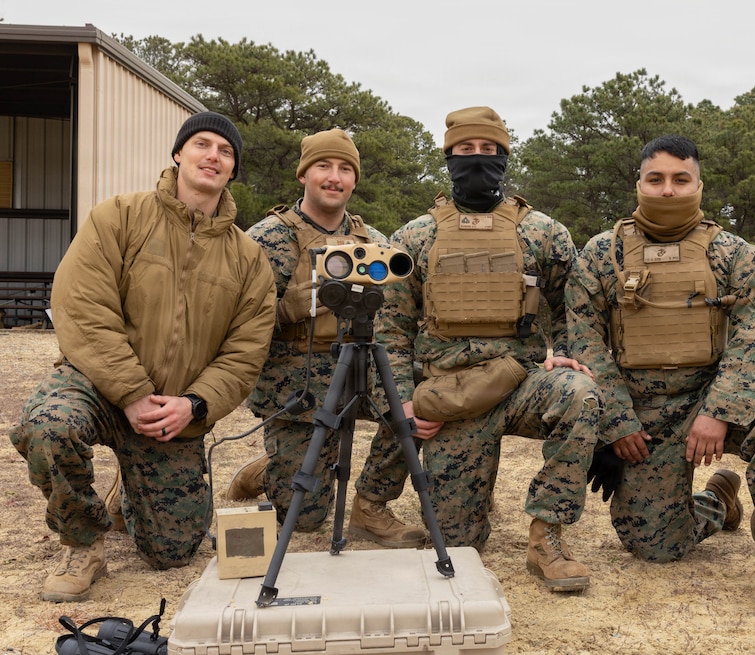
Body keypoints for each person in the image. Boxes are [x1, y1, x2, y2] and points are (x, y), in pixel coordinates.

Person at [8, 111, 277, 602]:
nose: (213, 156)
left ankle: (128, 492)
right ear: (178, 154)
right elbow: (81, 305)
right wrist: (131, 392)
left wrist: (194, 404)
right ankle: (83, 542)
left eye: (226, 151)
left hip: (173, 411)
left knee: (172, 552)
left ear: (233, 170)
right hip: (95, 384)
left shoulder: (248, 259)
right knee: (48, 427)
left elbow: (245, 352)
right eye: (202, 144)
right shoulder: (118, 216)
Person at [351, 106, 602, 591]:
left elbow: (573, 304)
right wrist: (402, 405)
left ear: (504, 157)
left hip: (522, 381)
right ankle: (468, 494)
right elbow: (390, 331)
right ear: (449, 158)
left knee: (580, 393)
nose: (478, 158)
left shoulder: (543, 232)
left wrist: (568, 351)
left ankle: (547, 536)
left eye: (489, 149)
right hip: (453, 395)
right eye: (466, 150)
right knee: (459, 545)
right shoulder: (416, 236)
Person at [566, 135, 755, 613]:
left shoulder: (735, 254)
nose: (667, 190)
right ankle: (718, 501)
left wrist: (718, 411)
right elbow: (583, 338)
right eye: (655, 179)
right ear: (639, 183)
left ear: (699, 185)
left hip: (715, 397)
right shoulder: (602, 254)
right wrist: (616, 422)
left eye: (680, 179)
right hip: (642, 411)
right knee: (655, 547)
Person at [228, 127, 427, 546]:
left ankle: (371, 504)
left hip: (363, 367)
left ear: (354, 180)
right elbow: (233, 321)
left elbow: (398, 320)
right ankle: (268, 469)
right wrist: (288, 308)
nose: (335, 177)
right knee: (304, 519)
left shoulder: (375, 243)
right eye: (323, 166)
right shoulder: (265, 239)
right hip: (297, 380)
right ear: (303, 174)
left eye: (345, 169)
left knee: (423, 401)